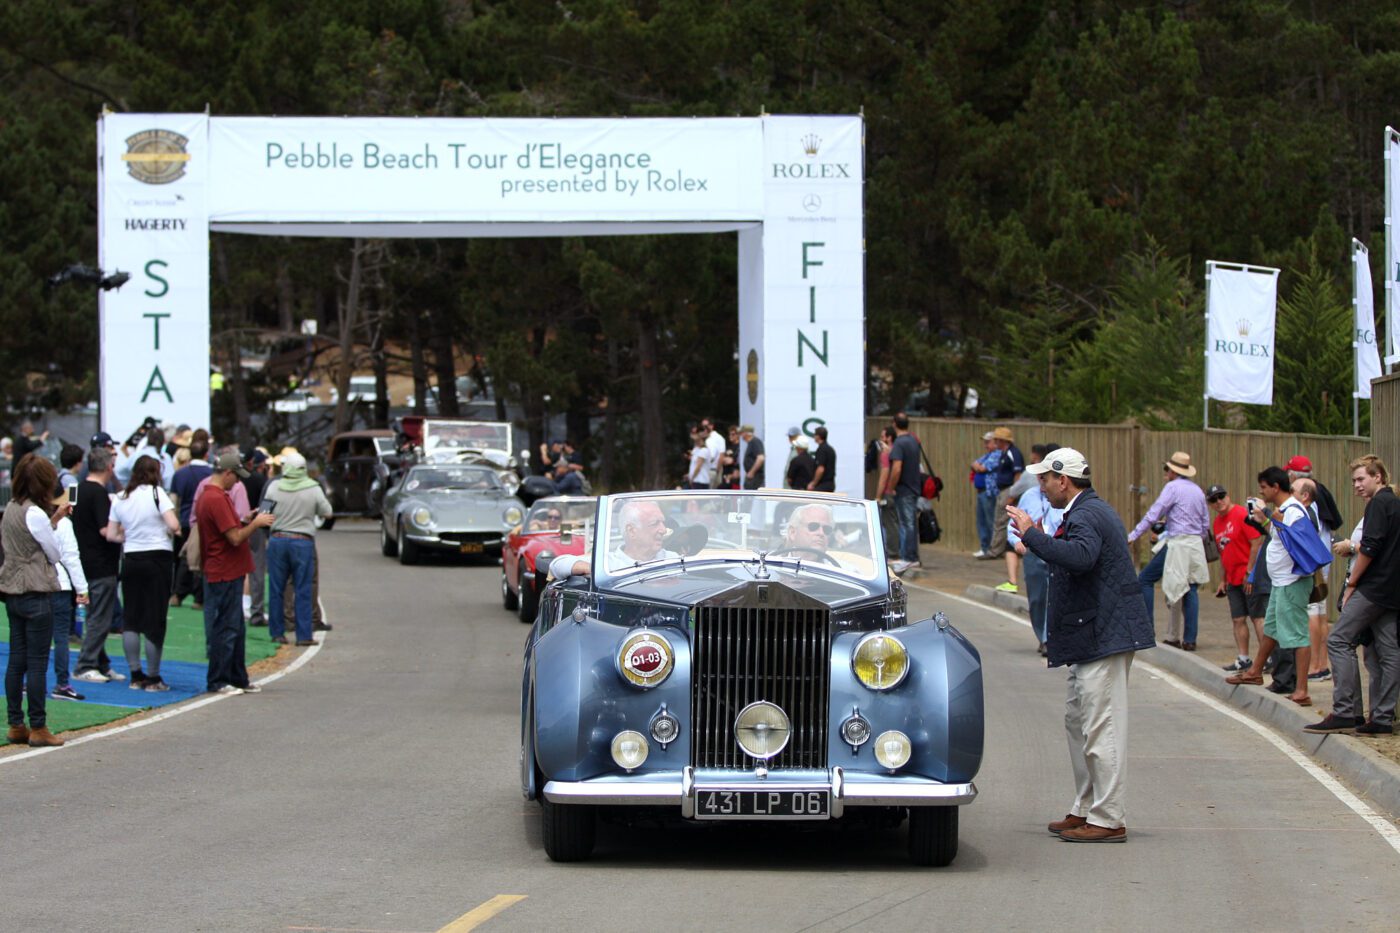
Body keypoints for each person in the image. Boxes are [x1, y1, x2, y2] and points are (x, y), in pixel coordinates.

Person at [1008, 447, 1154, 843]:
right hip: (1094, 635)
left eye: (1045, 479)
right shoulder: (1085, 510)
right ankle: (1088, 806)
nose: (1041, 486)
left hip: (1103, 635)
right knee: (1080, 722)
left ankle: (1108, 818)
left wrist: (1032, 535)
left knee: (1101, 726)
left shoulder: (1087, 514)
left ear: (1063, 480)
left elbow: (1081, 556)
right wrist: (1038, 538)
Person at [1305, 455, 1400, 735]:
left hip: (1374, 588)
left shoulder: (1379, 503)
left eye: (1361, 479)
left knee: (1338, 640)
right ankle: (1382, 717)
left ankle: (1346, 711)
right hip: (1391, 590)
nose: (1357, 485)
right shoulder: (1393, 503)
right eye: (1354, 480)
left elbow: (1370, 548)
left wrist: (1351, 584)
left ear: (1378, 477)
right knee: (1386, 651)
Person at [1225, 467, 1314, 707]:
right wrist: (1266, 521)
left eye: (1264, 487)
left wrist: (1270, 519)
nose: (1261, 491)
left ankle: (1302, 690)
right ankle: (1255, 670)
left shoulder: (1293, 510)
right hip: (1280, 582)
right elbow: (1278, 538)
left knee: (1298, 635)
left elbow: (1297, 540)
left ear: (1276, 487)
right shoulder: (1283, 511)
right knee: (1271, 629)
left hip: (1292, 582)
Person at [196, 452, 276, 695]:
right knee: (227, 627)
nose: (238, 482)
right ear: (227, 473)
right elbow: (234, 538)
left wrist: (246, 520)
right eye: (236, 477)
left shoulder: (213, 496)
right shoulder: (216, 498)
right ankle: (219, 679)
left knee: (235, 627)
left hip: (226, 569)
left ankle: (237, 677)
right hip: (224, 570)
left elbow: (230, 531)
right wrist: (255, 524)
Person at [1, 454, 67, 747]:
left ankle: (16, 724)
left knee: (16, 660)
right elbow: (54, 553)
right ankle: (39, 727)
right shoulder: (36, 513)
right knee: (37, 663)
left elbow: (24, 541)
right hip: (36, 592)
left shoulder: (11, 508)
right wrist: (54, 523)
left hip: (12, 589)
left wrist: (52, 520)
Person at [106, 455, 179, 692]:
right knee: (155, 618)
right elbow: (174, 524)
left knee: (132, 618)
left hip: (132, 558)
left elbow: (111, 534)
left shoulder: (121, 497)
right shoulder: (158, 494)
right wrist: (166, 530)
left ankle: (135, 674)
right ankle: (153, 676)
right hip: (158, 558)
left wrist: (129, 536)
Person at [1127, 452, 1210, 650]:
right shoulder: (1198, 491)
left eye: (1167, 469)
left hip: (1178, 543)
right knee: (1191, 588)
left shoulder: (1172, 488)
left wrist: (1133, 535)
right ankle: (1189, 639)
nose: (1166, 473)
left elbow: (1153, 514)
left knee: (1145, 579)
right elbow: (1205, 524)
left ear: (1173, 471)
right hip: (1195, 543)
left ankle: (1147, 629)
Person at [261, 451, 332, 647]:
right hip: (302, 541)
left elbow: (264, 512)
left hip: (278, 540)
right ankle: (304, 635)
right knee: (303, 588)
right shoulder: (313, 488)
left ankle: (277, 632)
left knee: (277, 588)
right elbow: (327, 512)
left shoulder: (274, 487)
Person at [72, 447, 125, 683]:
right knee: (99, 618)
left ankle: (101, 662)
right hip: (101, 563)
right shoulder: (99, 494)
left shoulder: (78, 489)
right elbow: (106, 530)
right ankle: (85, 665)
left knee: (96, 615)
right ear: (109, 467)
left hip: (83, 560)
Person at [1009, 443, 1062, 655]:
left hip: (1057, 550)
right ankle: (1042, 635)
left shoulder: (1063, 499)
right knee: (1038, 598)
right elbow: (1013, 523)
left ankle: (1050, 638)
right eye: (1040, 476)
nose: (1042, 480)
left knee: (1056, 595)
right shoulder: (1029, 495)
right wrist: (1016, 542)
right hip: (1033, 552)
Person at [1207, 485, 1264, 673]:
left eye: (1221, 496)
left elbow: (1256, 542)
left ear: (1228, 496)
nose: (1219, 502)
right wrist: (1223, 579)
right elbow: (1224, 552)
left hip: (1248, 576)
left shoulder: (1241, 514)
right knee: (1238, 619)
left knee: (1258, 617)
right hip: (1233, 578)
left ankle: (1268, 657)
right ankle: (1243, 658)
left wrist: (1250, 571)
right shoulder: (1217, 523)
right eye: (1213, 499)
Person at [1290, 478, 1334, 683]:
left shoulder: (1307, 511)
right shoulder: (1319, 503)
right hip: (1322, 564)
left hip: (1312, 567)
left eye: (1292, 490)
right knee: (1321, 614)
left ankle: (1314, 665)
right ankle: (1322, 665)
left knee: (1312, 613)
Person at [48, 486, 89, 702]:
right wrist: (81, 588)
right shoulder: (64, 524)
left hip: (36, 585)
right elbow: (71, 557)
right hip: (60, 585)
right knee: (61, 637)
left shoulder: (31, 517)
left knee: (33, 637)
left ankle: (27, 681)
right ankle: (62, 683)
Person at [170, 437, 213, 607]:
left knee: (185, 557)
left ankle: (178, 594)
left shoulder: (180, 474)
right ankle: (199, 598)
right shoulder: (211, 474)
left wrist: (176, 522)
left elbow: (174, 501)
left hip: (185, 520)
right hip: (205, 521)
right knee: (203, 558)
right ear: (206, 454)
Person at [885, 414, 924, 574]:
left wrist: (891, 486)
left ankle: (908, 558)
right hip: (914, 487)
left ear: (894, 424)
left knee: (906, 524)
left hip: (904, 489)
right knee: (911, 523)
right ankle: (912, 557)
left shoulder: (899, 443)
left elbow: (897, 468)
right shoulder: (913, 440)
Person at [241, 448, 271, 627]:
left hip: (235, 524)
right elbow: (268, 503)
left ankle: (239, 605)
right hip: (255, 525)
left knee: (237, 567)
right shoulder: (260, 480)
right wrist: (265, 524)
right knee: (256, 569)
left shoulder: (236, 478)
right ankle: (256, 610)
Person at [984, 426, 1024, 559]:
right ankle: (1000, 548)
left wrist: (1013, 493)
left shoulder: (1013, 453)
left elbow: (1018, 474)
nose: (995, 442)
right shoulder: (1004, 453)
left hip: (1008, 489)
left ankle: (995, 550)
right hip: (1002, 490)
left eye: (997, 439)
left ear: (1003, 441)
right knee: (1000, 521)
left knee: (1001, 521)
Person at [970, 431, 1000, 558]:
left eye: (988, 442)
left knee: (989, 521)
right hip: (981, 492)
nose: (985, 445)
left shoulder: (997, 454)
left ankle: (991, 548)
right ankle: (984, 547)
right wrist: (977, 466)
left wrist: (977, 466)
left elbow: (981, 468)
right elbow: (974, 463)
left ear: (995, 442)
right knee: (981, 520)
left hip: (989, 492)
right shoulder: (988, 455)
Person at [808, 426, 836, 492]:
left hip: (823, 484)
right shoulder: (830, 449)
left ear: (818, 436)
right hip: (830, 484)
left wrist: (813, 483)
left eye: (815, 435)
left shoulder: (822, 450)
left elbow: (820, 469)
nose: (814, 437)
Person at [740, 425, 765, 490]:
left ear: (746, 433)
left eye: (742, 433)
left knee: (753, 495)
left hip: (756, 477)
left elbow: (761, 458)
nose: (741, 435)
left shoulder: (755, 442)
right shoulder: (751, 443)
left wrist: (751, 472)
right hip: (753, 477)